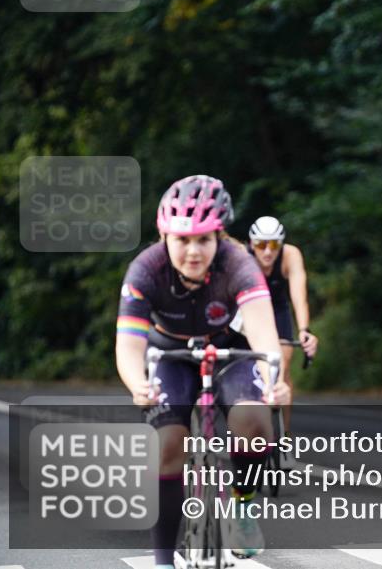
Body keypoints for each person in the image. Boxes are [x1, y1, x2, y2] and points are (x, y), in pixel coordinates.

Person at [115, 175, 290, 568]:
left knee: (254, 420)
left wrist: (275, 380)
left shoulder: (239, 263)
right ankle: (163, 560)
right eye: (182, 240)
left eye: (204, 239)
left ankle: (243, 504)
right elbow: (128, 345)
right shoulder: (145, 269)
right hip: (169, 353)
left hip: (230, 349)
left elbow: (263, 334)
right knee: (169, 445)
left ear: (220, 236)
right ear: (164, 237)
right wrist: (137, 383)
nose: (193, 251)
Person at [246, 216, 319, 455]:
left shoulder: (291, 255)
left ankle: (284, 435)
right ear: (251, 243)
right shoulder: (242, 258)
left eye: (274, 245)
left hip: (277, 311)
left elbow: (299, 296)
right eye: (260, 245)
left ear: (282, 244)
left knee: (282, 368)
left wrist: (304, 330)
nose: (267, 252)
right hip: (249, 311)